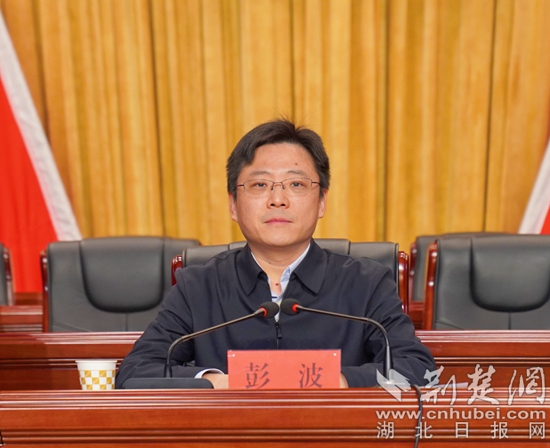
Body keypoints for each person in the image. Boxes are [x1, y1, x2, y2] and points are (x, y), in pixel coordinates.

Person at [116, 119, 436, 389]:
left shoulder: (365, 283)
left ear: (321, 201)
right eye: (260, 185)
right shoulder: (198, 287)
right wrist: (220, 383)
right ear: (233, 204)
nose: (278, 199)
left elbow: (417, 369)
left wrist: (331, 382)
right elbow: (135, 373)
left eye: (296, 184)